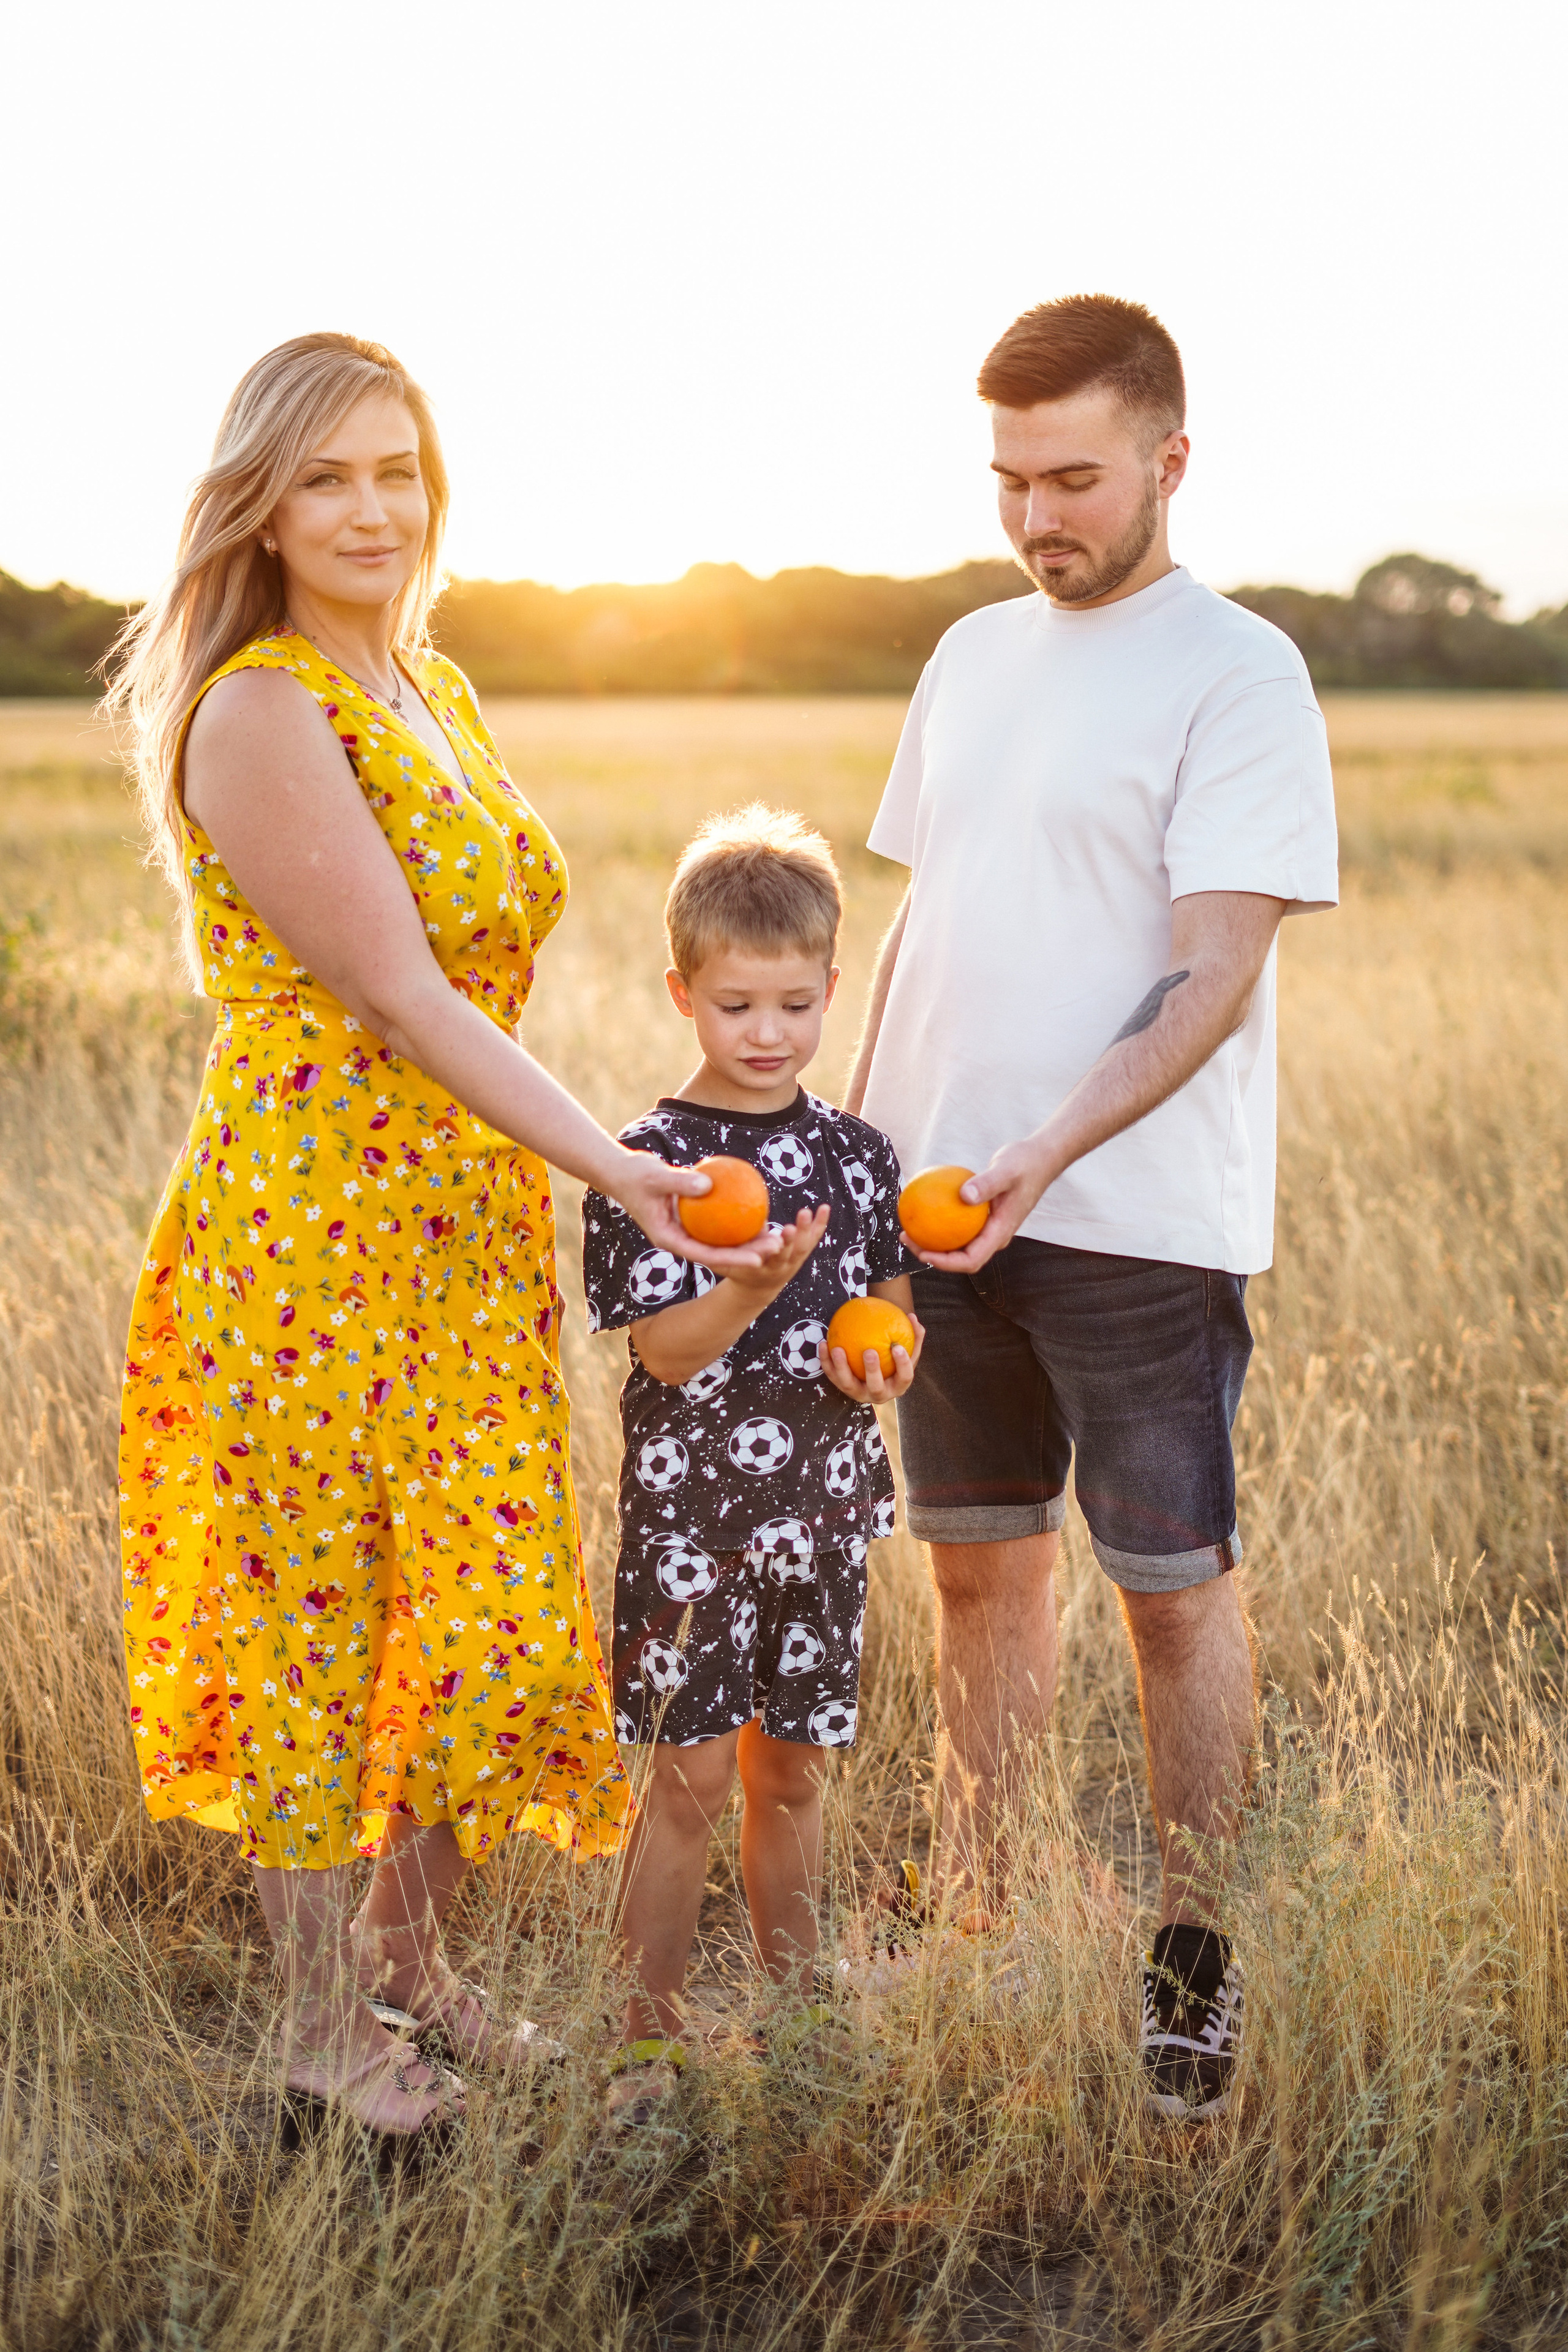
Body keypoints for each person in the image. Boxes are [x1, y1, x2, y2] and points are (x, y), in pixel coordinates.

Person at [107, 333, 766, 2139]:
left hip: (457, 1221)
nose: (373, 508)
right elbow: (402, 997)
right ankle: (324, 2027)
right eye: (329, 477)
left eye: (398, 470)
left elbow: (475, 983)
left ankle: (422, 1970)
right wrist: (620, 1169)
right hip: (306, 1233)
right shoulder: (257, 708)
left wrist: (566, 1161)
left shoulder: (431, 688)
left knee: (463, 1611)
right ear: (260, 501)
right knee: (316, 1620)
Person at [846, 295, 1338, 2120]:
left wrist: (1052, 1145)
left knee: (1172, 1597)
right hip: (940, 1217)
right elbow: (932, 915)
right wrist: (858, 1146)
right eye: (1010, 479)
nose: (1038, 516)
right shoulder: (971, 654)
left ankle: (1193, 1968)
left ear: (1168, 463)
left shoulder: (1241, 673)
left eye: (1073, 477)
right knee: (978, 1577)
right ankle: (981, 1921)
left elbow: (1214, 969)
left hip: (1136, 1222)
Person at [581, 807, 921, 2116]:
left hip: (821, 1521)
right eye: (735, 1003)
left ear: (832, 988)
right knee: (684, 1780)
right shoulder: (646, 1161)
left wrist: (875, 1367)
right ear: (683, 993)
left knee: (792, 1775)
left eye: (792, 1001)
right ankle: (645, 2037)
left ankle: (799, 2019)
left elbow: (890, 1327)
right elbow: (666, 1352)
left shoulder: (858, 1155)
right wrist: (756, 1277)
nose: (766, 1031)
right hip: (691, 1522)